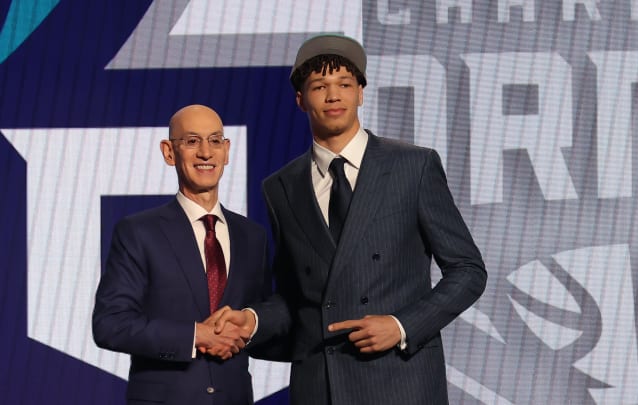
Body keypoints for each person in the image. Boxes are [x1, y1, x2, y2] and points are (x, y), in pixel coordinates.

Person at [216, 34, 487, 405]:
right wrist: (253, 320)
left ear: (360, 92)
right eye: (319, 86)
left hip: (401, 380)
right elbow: (297, 295)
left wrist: (402, 325)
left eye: (345, 84)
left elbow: (468, 269)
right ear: (300, 100)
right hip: (320, 386)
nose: (333, 95)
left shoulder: (413, 166)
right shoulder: (281, 187)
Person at [93, 104, 267, 405]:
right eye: (191, 141)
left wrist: (250, 323)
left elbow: (273, 317)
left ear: (226, 151)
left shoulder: (252, 236)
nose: (205, 152)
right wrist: (195, 336)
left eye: (214, 141)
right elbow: (110, 324)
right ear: (169, 152)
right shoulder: (138, 232)